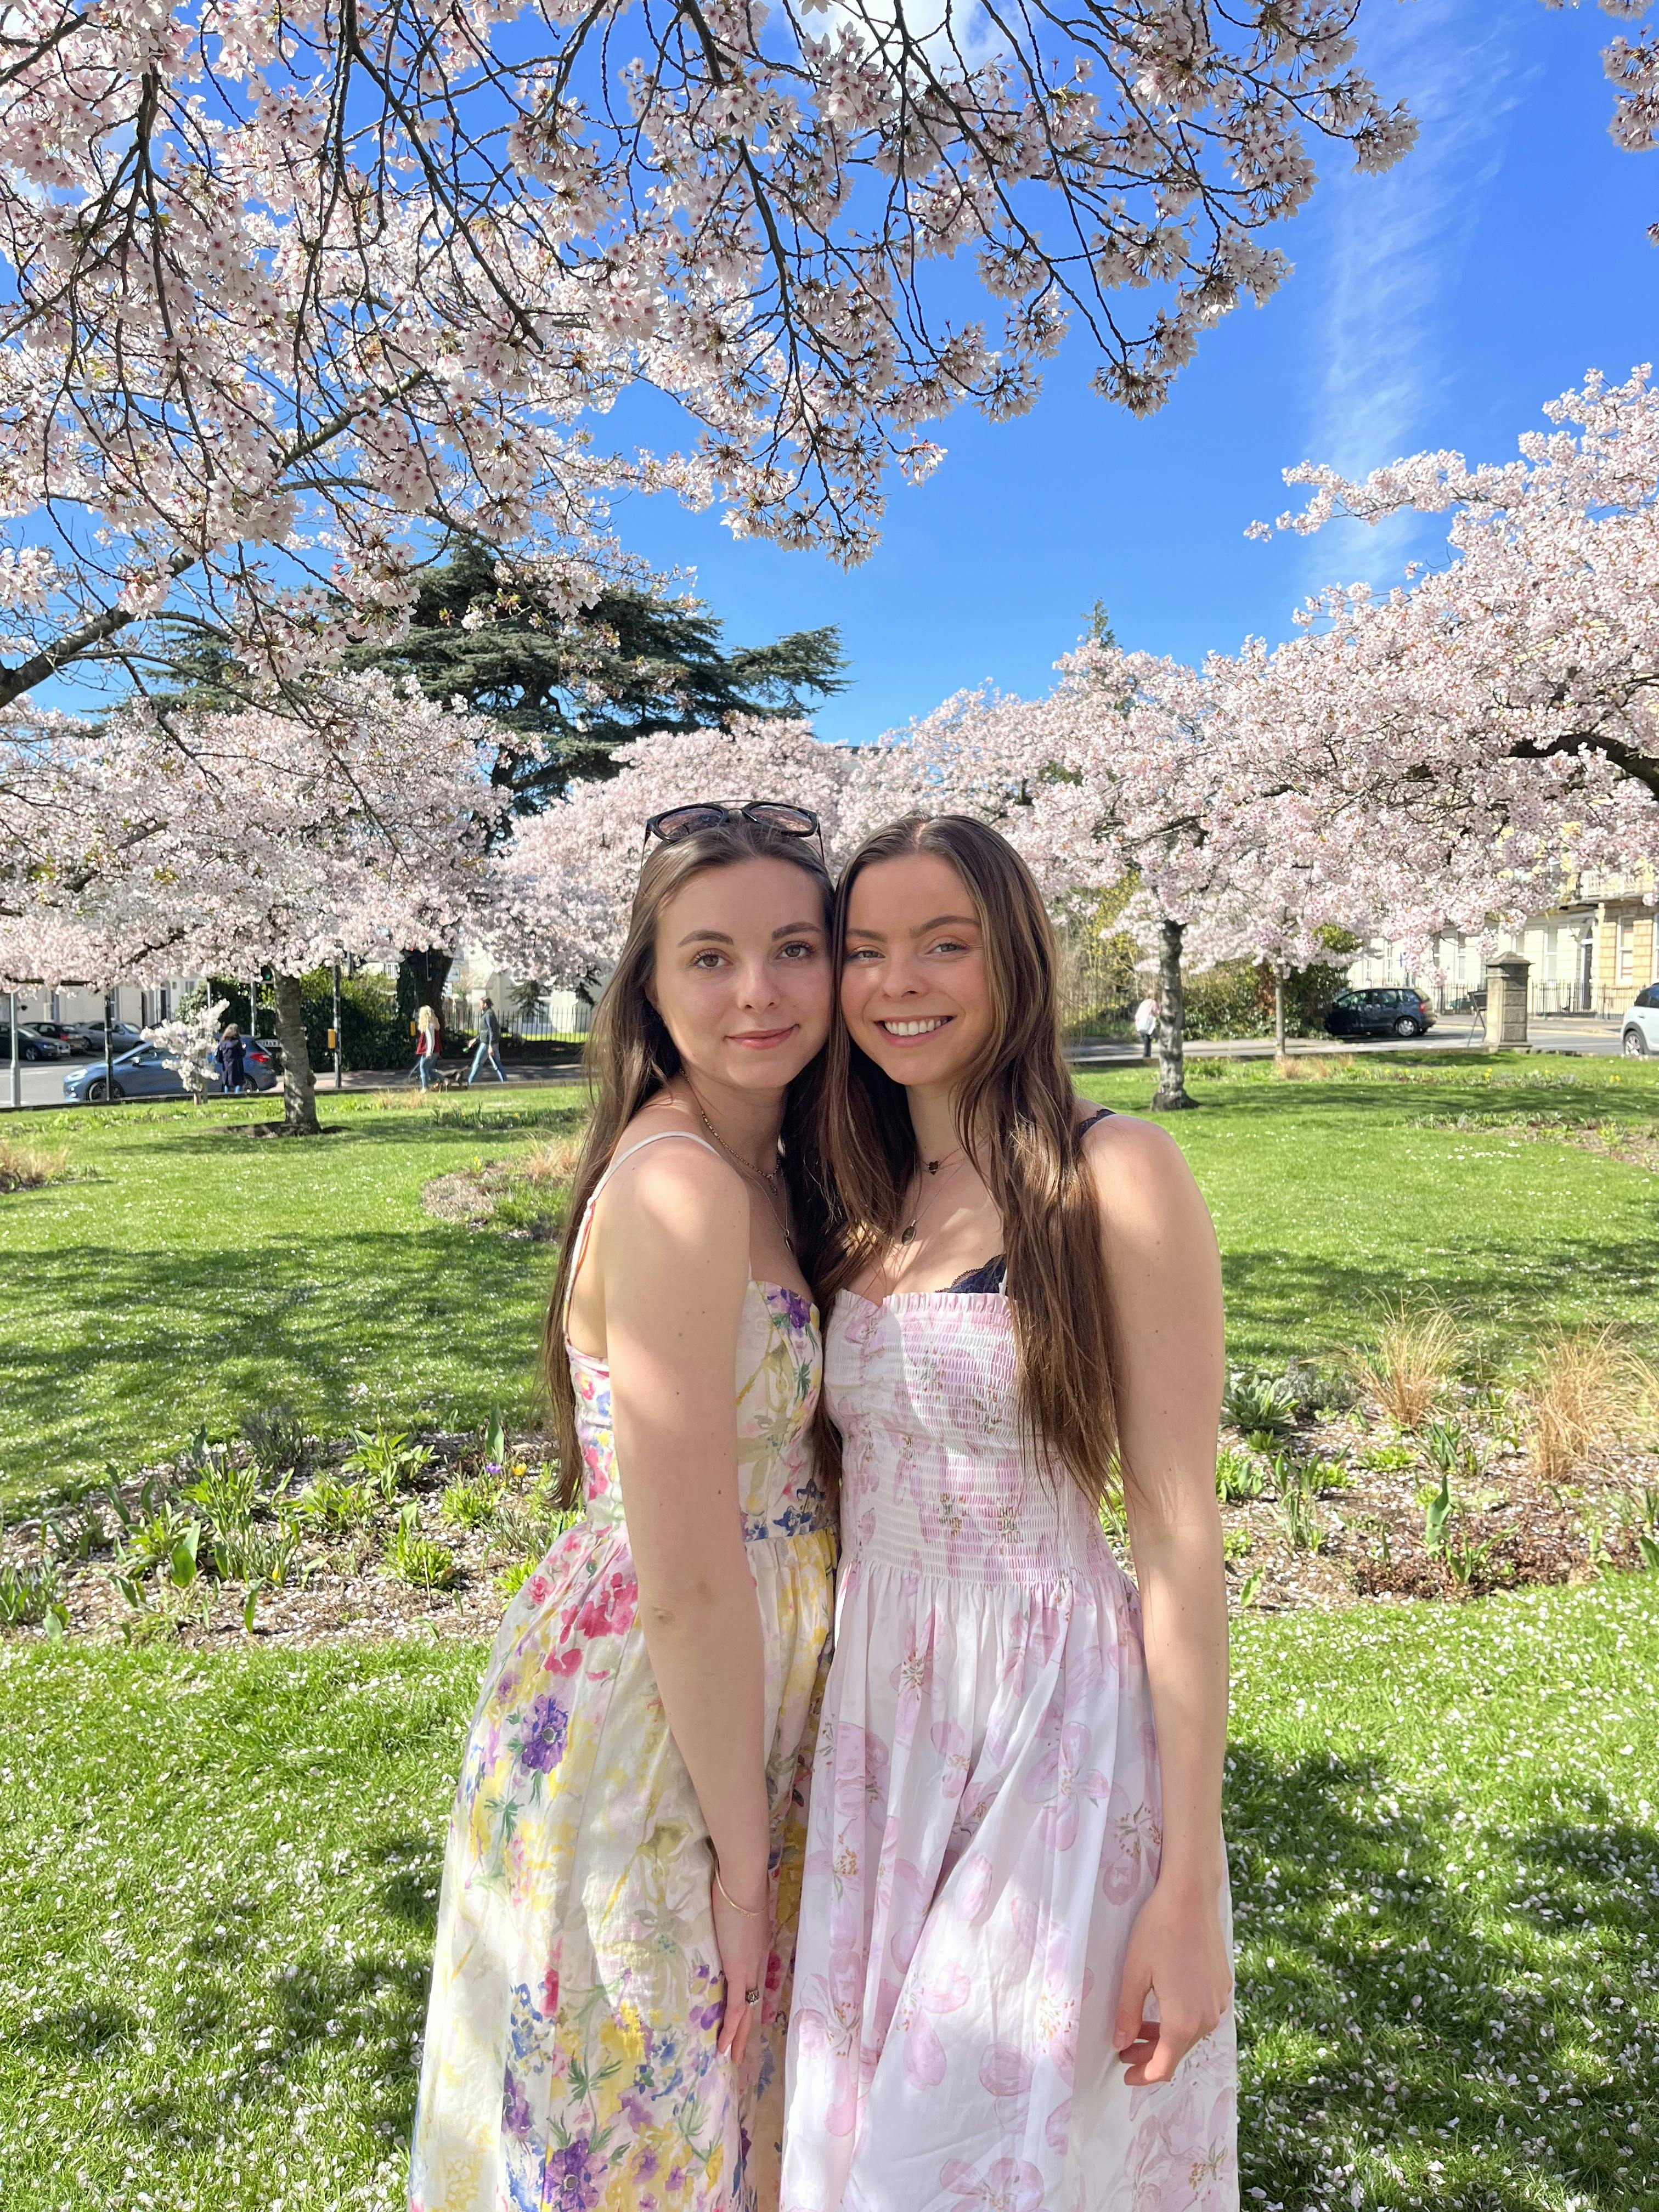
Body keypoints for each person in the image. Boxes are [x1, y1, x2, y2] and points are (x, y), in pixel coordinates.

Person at [782, 814, 1237, 2211]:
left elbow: (1177, 1528)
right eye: (863, 950)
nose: (897, 981)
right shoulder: (854, 1197)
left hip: (1055, 1718)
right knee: (873, 2138)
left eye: (943, 944)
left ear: (1015, 960)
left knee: (978, 2149)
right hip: (879, 1724)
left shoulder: (1115, 1172)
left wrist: (1192, 1879)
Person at [410, 804, 839, 2212]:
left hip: (734, 1687)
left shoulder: (766, 1165)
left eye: (794, 947)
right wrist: (736, 1856)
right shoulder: (680, 1188)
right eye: (708, 957)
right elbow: (690, 1579)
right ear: (649, 989)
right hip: (667, 1712)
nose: (757, 991)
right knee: (652, 2119)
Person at [466, 995, 506, 1084]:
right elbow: (485, 1032)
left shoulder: (489, 1015)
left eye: (481, 1004)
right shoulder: (487, 1014)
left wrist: (491, 1046)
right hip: (489, 1043)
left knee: (477, 1062)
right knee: (497, 1064)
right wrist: (475, 1040)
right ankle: (505, 1082)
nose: (480, 1006)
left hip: (487, 1044)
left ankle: (470, 1082)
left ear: (485, 1004)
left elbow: (492, 1030)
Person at [415, 1003, 443, 1090]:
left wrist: (429, 1052)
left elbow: (430, 1040)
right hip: (435, 1052)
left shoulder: (429, 1026)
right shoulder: (433, 1025)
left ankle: (425, 1088)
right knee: (430, 1070)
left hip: (430, 1052)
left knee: (423, 1067)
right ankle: (445, 1080)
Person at [215, 1022, 247, 1096]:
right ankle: (238, 1097)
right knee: (238, 1083)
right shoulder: (237, 1042)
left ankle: (227, 1097)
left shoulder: (223, 1042)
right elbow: (242, 1053)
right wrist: (244, 1049)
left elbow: (220, 1056)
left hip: (226, 1066)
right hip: (236, 1066)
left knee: (227, 1084)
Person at [1134, 987, 1160, 1060]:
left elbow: (1138, 1015)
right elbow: (1157, 1013)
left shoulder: (1144, 1003)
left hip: (1141, 1024)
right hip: (1148, 1025)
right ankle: (1147, 1055)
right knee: (1148, 1040)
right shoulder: (1154, 1003)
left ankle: (1147, 1055)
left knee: (1146, 1040)